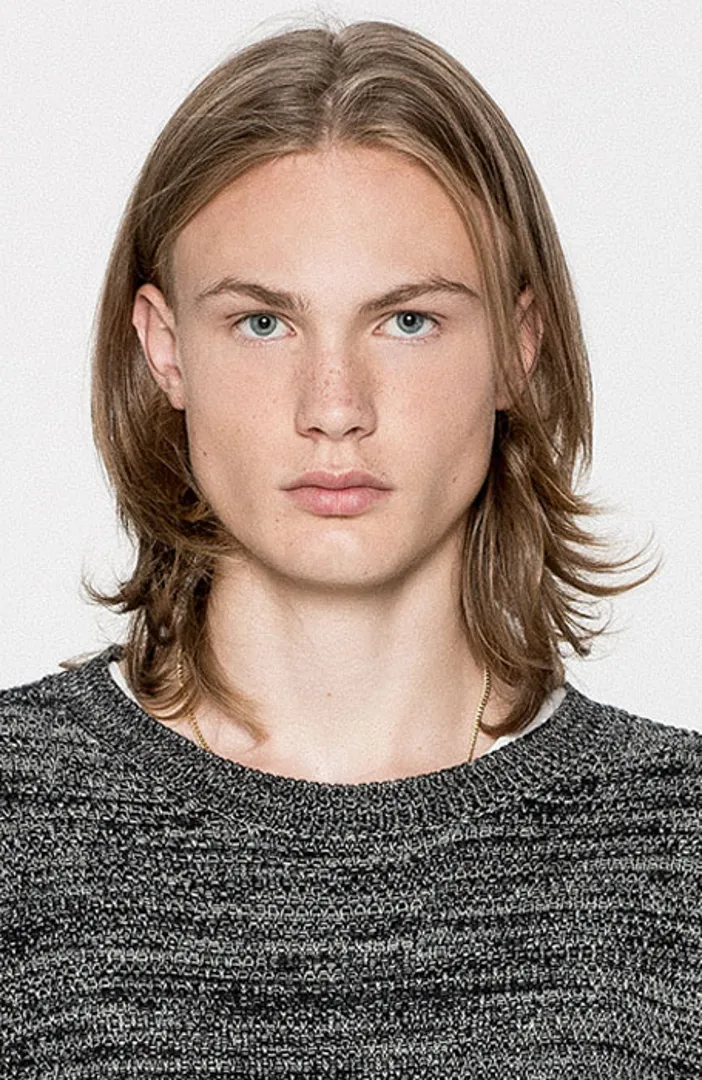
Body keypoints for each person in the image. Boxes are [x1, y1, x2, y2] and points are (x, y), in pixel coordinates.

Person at [2, 16, 700, 1076]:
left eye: (407, 321)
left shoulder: (677, 848)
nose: (334, 408)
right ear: (164, 350)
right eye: (263, 323)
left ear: (517, 350)